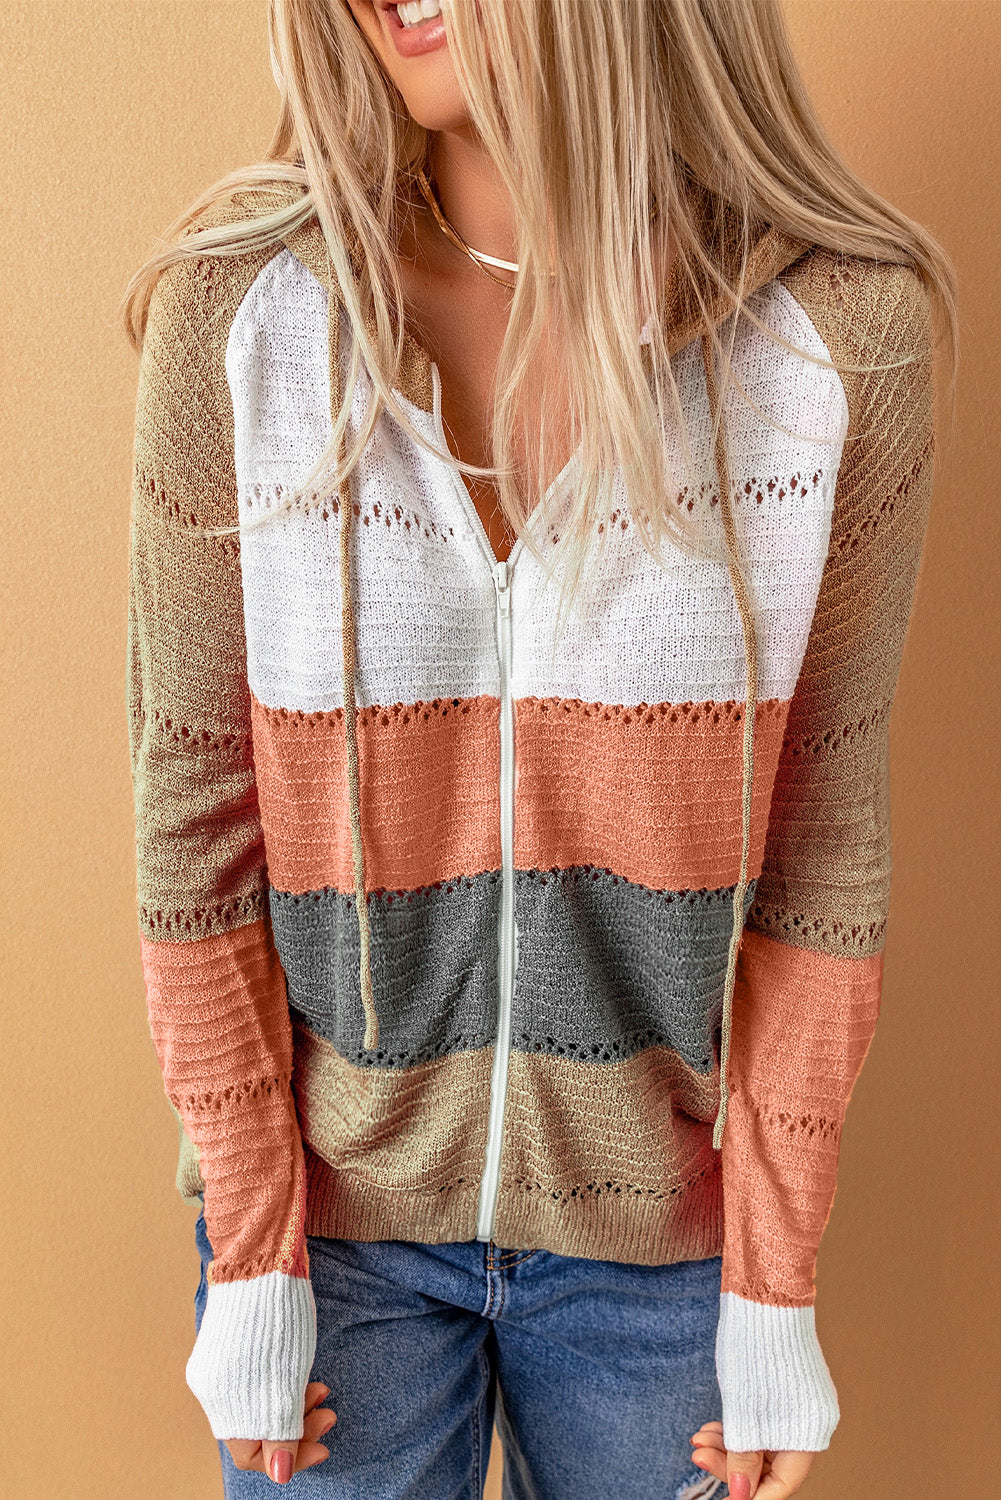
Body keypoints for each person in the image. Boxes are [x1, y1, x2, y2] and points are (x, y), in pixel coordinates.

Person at [121, 1, 958, 1496]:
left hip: (666, 1253)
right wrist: (251, 1250)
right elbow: (195, 824)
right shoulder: (247, 317)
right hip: (334, 1235)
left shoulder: (833, 339)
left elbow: (820, 846)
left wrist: (772, 1288)